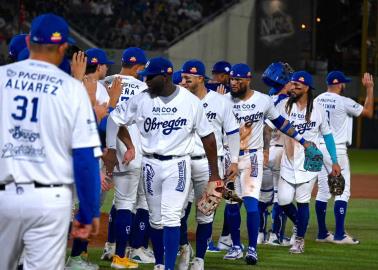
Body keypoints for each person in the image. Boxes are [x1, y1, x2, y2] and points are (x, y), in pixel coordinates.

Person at [0, 13, 101, 270]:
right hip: (49, 199)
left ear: (30, 43)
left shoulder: (2, 78)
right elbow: (85, 159)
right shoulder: (72, 89)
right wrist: (89, 211)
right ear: (64, 47)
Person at [104, 56, 222, 270]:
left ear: (166, 76)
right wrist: (123, 145)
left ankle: (167, 267)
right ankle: (160, 264)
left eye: (150, 77)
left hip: (178, 164)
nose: (146, 80)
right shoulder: (141, 99)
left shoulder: (189, 101)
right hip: (149, 164)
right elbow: (115, 119)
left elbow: (209, 138)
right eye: (144, 76)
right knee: (155, 220)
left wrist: (214, 174)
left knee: (171, 217)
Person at [224, 64, 319, 265]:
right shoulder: (222, 101)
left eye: (238, 80)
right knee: (232, 205)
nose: (234, 83)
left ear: (248, 80)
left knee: (251, 203)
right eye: (232, 79)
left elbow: (282, 123)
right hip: (228, 157)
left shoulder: (263, 100)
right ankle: (235, 246)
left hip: (252, 158)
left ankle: (252, 249)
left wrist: (303, 141)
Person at [179, 59, 240, 270]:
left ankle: (200, 259)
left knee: (205, 214)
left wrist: (234, 160)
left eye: (188, 78)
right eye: (182, 77)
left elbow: (232, 132)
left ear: (200, 79)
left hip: (210, 164)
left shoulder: (221, 101)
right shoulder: (179, 100)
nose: (183, 81)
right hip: (183, 161)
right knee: (178, 212)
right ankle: (185, 247)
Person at [101, 47, 155, 269]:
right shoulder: (144, 89)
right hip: (132, 153)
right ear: (140, 67)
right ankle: (129, 253)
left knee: (108, 202)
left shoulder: (105, 82)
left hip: (104, 151)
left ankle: (108, 247)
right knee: (131, 203)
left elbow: (108, 117)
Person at [276, 71, 341, 254]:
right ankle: (300, 223)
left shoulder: (318, 110)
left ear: (307, 88)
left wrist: (334, 161)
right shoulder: (284, 106)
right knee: (283, 200)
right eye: (292, 84)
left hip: (309, 164)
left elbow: (327, 136)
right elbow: (271, 126)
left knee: (303, 201)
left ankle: (299, 239)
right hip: (288, 161)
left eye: (298, 85)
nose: (293, 87)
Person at [65, 47, 114, 270]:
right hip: (74, 156)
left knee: (85, 208)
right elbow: (88, 125)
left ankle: (77, 257)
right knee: (70, 211)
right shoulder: (69, 86)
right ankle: (70, 258)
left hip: (87, 154)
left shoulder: (99, 89)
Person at [314, 71, 374, 244]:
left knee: (323, 191)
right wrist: (369, 89)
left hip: (318, 148)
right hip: (336, 151)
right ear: (340, 84)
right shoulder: (344, 101)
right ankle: (340, 235)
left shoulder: (316, 100)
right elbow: (369, 112)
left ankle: (322, 233)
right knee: (342, 192)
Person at [258, 62, 296, 246]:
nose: (292, 81)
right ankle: (275, 237)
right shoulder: (286, 102)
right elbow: (267, 128)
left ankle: (259, 235)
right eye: (289, 78)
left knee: (263, 199)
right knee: (281, 198)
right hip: (278, 152)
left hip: (261, 152)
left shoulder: (265, 99)